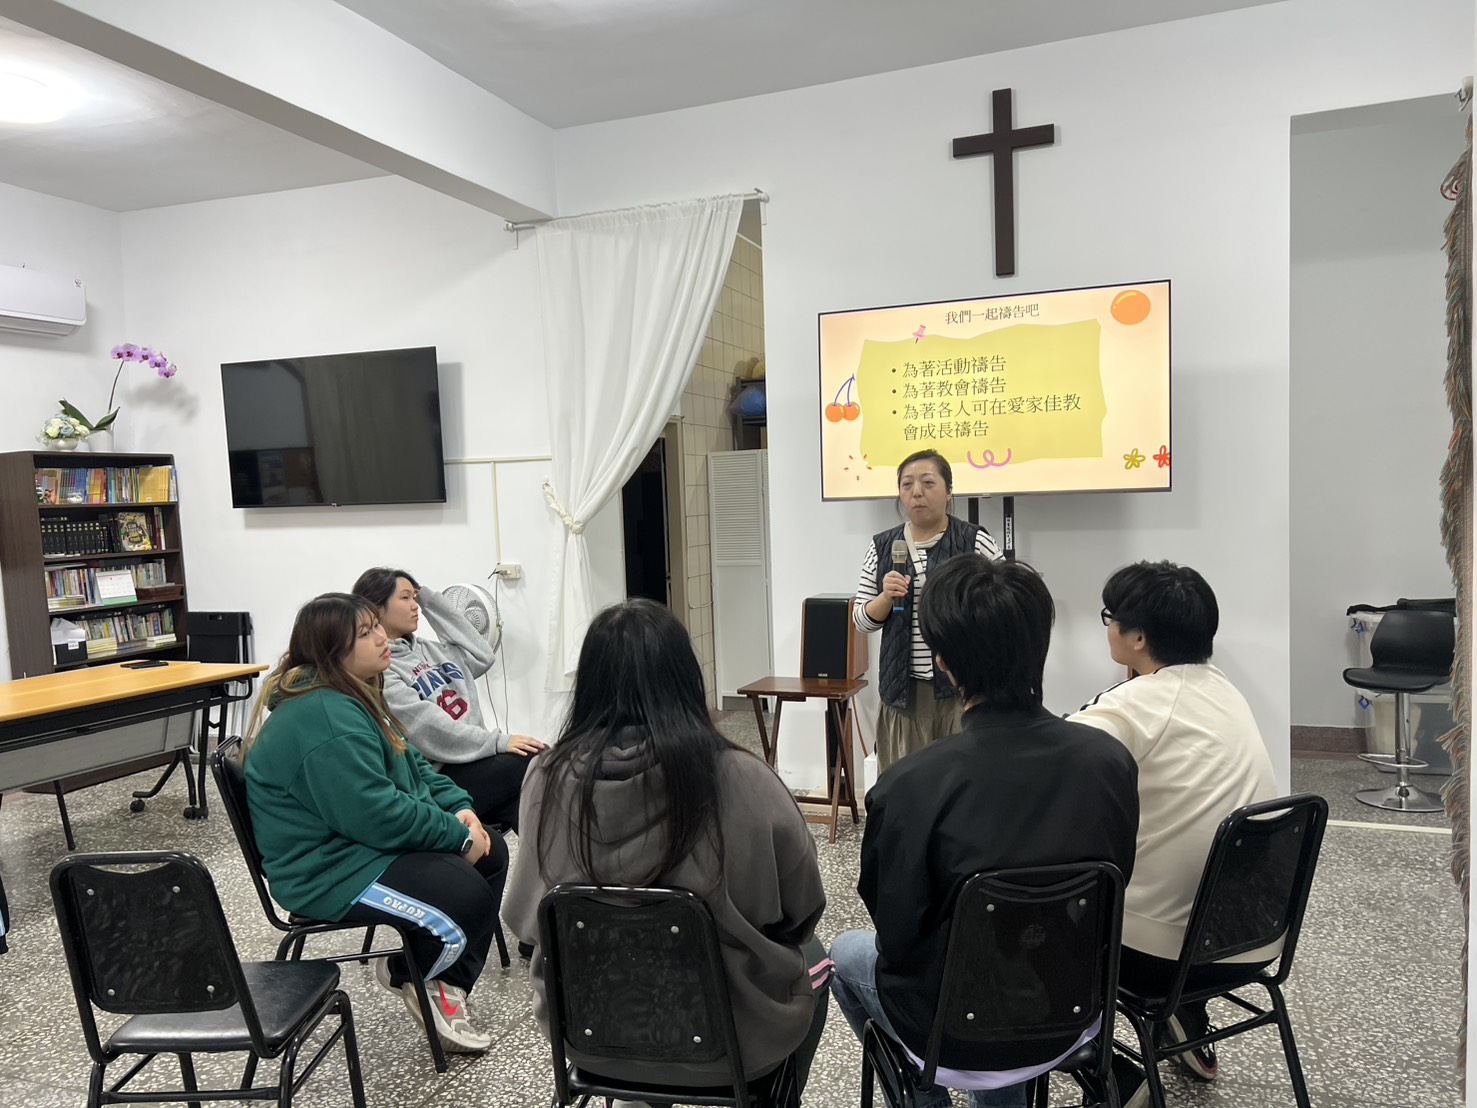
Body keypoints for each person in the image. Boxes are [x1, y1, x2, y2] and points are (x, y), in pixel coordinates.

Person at [831, 555, 1139, 1108]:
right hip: (1072, 1017)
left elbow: (896, 934)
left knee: (843, 953)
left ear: (944, 662)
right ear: (1040, 647)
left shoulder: (909, 785)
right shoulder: (1110, 761)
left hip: (951, 1035)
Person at [505, 599, 830, 1091]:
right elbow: (801, 910)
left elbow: (524, 921)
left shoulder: (544, 778)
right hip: (734, 1045)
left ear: (588, 683)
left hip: (589, 1039)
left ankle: (634, 1097)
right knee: (816, 955)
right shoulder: (743, 777)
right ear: (686, 679)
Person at [243, 592, 507, 1053]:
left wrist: (460, 809)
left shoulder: (356, 691)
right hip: (328, 871)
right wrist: (457, 837)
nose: (383, 637)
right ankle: (413, 975)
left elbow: (415, 766)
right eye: (365, 633)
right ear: (332, 653)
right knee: (466, 897)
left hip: (358, 846)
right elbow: (377, 814)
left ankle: (442, 985)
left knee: (492, 855)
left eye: (376, 626)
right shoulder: (324, 715)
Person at [1069, 561, 1278, 1100]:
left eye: (1109, 618)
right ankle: (1186, 1015)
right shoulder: (1227, 691)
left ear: (1137, 638)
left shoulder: (1136, 702)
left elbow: (1048, 763)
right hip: (1255, 939)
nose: (1107, 628)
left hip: (1163, 957)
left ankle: (1110, 1075)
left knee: (1028, 918)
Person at [352, 567, 545, 833]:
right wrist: (497, 742)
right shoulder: (382, 670)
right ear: (376, 610)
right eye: (406, 598)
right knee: (534, 762)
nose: (414, 605)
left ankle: (553, 857)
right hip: (441, 774)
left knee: (529, 800)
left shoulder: (432, 649)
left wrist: (430, 600)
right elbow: (428, 728)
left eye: (415, 597)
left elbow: (482, 655)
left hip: (477, 757)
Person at [853, 449, 1000, 770]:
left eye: (928, 483)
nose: (916, 492)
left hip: (964, 692)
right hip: (904, 696)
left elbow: (1007, 605)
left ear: (949, 492)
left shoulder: (975, 541)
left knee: (963, 780)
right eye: (907, 484)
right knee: (907, 783)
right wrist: (885, 597)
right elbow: (861, 621)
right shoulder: (882, 546)